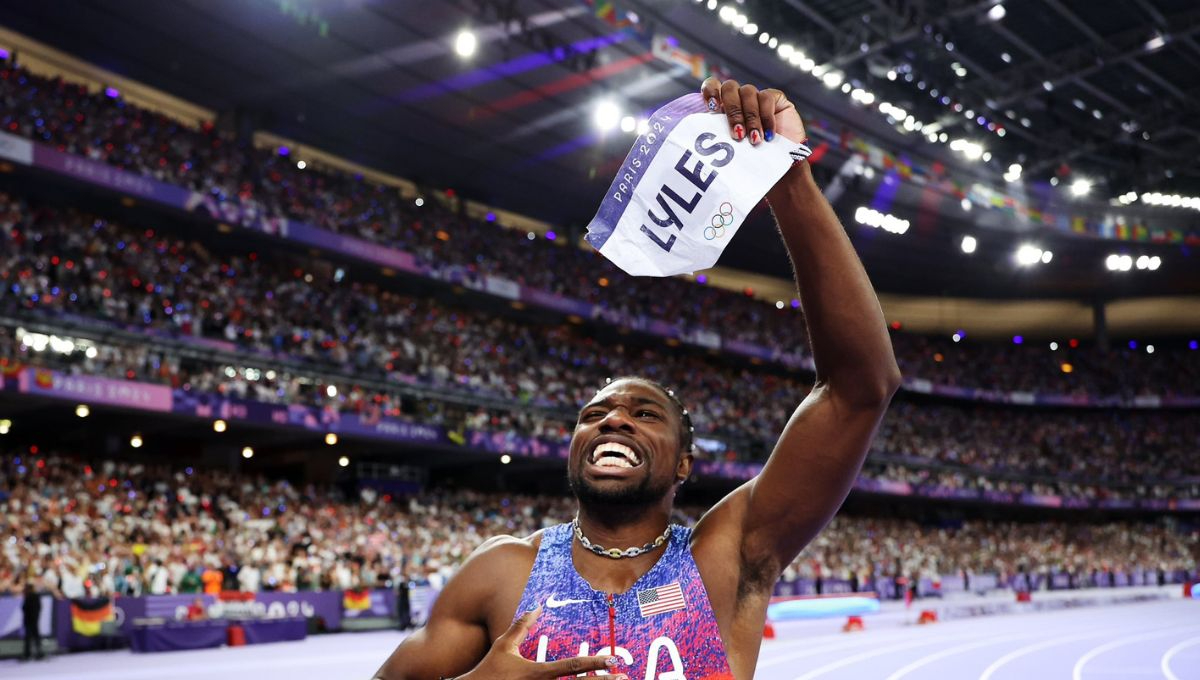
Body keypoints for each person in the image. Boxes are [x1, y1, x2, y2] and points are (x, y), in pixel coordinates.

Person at [372, 77, 900, 680]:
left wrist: (789, 181)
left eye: (645, 414)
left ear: (683, 463)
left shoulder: (728, 555)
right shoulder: (501, 573)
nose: (614, 418)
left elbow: (861, 387)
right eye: (593, 415)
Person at [21, 580, 45, 661]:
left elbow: (24, 608)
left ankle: (29, 654)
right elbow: (39, 608)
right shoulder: (33, 596)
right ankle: (38, 653)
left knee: (30, 638)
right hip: (33, 620)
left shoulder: (29, 597)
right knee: (35, 637)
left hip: (30, 621)